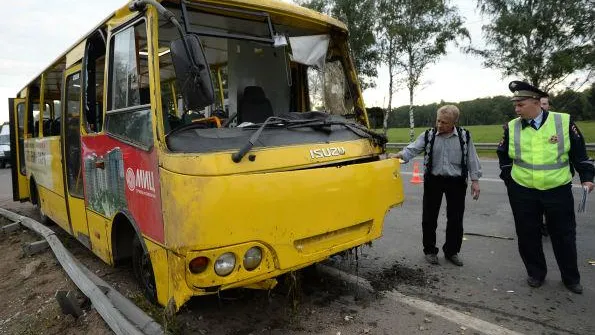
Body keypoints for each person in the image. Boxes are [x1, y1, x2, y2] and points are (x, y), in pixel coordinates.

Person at [497, 81, 594, 294]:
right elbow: (503, 153)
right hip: (522, 190)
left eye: (520, 104)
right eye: (515, 105)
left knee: (564, 235)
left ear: (536, 103)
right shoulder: (511, 126)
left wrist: (587, 176)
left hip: (557, 189)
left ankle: (570, 278)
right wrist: (508, 178)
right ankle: (536, 273)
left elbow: (579, 153)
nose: (516, 109)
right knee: (527, 234)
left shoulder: (564, 122)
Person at [392, 105, 482, 266]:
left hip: (456, 182)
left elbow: (472, 159)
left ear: (454, 122)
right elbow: (412, 150)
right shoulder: (429, 135)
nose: (440, 125)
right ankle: (430, 251)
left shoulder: (464, 136)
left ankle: (452, 251)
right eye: (438, 120)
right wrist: (398, 155)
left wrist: (475, 181)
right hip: (433, 180)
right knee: (429, 218)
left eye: (445, 122)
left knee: (455, 219)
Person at [539, 95, 551, 237]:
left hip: (553, 180)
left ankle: (549, 225)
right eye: (541, 103)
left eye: (545, 103)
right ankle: (540, 226)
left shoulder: (557, 123)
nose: (542, 106)